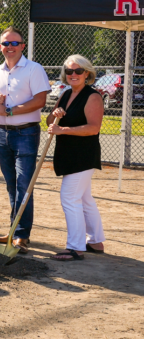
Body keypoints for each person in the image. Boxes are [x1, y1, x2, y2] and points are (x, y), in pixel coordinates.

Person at [0, 26, 50, 253]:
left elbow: (40, 100)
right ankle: (13, 230)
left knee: (24, 184)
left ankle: (22, 235)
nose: (9, 47)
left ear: (22, 46)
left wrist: (9, 111)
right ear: (0, 47)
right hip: (2, 134)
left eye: (14, 43)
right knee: (11, 184)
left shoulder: (34, 69)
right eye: (5, 43)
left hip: (26, 133)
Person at [47, 54, 105, 261]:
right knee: (84, 199)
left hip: (83, 156)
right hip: (68, 155)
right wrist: (57, 115)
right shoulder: (64, 94)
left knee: (70, 198)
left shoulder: (93, 96)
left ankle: (75, 247)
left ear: (86, 73)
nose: (73, 74)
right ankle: (96, 241)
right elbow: (49, 122)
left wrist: (63, 129)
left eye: (78, 71)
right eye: (69, 71)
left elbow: (93, 128)